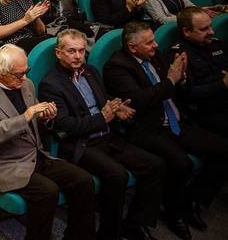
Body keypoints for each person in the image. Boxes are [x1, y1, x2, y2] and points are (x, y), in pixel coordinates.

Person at [104, 22, 228, 239]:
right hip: (150, 128)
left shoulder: (156, 56)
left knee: (223, 149)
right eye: (150, 42)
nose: (156, 45)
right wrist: (172, 79)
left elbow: (178, 88)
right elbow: (141, 100)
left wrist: (183, 77)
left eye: (154, 40)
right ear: (133, 48)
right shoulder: (117, 67)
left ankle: (192, 199)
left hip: (177, 120)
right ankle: (174, 213)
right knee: (182, 163)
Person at [38, 30, 164, 240]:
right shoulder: (51, 84)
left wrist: (116, 108)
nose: (78, 56)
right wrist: (103, 117)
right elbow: (66, 125)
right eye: (71, 51)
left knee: (155, 166)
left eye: (81, 51)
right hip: (82, 144)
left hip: (109, 137)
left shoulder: (91, 71)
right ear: (58, 53)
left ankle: (134, 223)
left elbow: (102, 99)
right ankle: (109, 234)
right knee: (117, 175)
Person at [0, 44, 96, 240]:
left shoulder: (26, 85)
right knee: (48, 192)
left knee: (83, 180)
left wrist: (46, 118)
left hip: (36, 155)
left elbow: (37, 123)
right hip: (8, 164)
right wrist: (25, 117)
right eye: (19, 75)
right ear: (1, 73)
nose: (25, 79)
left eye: (26, 72)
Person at [172, 7, 228, 137]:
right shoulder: (179, 55)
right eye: (204, 29)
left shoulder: (217, 44)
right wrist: (222, 84)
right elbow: (187, 94)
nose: (212, 32)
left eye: (210, 26)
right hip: (207, 110)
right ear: (186, 31)